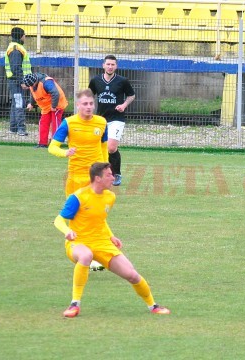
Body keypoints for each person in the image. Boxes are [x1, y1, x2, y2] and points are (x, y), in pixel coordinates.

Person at [54, 162, 171, 318]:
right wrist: (67, 231)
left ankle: (153, 306)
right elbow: (58, 220)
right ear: (97, 178)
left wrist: (111, 236)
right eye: (109, 175)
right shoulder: (78, 197)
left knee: (132, 275)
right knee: (86, 255)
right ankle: (74, 304)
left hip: (102, 243)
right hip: (79, 242)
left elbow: (100, 220)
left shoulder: (110, 197)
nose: (113, 177)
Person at [48, 89, 109, 273]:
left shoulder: (102, 122)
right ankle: (81, 254)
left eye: (91, 104)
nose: (89, 107)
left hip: (97, 179)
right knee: (78, 217)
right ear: (78, 105)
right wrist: (65, 152)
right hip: (76, 178)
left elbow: (104, 147)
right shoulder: (69, 123)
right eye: (85, 104)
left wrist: (107, 172)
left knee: (97, 216)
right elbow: (52, 147)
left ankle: (94, 254)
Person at [88, 55, 135, 186]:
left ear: (116, 66)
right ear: (103, 65)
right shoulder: (95, 80)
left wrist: (124, 105)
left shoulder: (122, 81)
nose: (110, 67)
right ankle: (102, 174)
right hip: (100, 119)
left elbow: (131, 95)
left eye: (112, 65)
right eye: (108, 64)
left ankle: (117, 174)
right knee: (100, 148)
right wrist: (88, 109)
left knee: (111, 147)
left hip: (117, 119)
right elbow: (89, 96)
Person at [21, 72, 68, 148]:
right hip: (46, 106)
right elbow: (34, 94)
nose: (31, 87)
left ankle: (55, 144)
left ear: (35, 82)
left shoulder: (46, 82)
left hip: (57, 103)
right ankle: (42, 143)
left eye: (31, 85)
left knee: (55, 123)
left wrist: (53, 106)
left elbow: (55, 93)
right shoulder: (32, 84)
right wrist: (31, 104)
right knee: (43, 122)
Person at [4, 27, 31, 136]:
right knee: (19, 103)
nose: (25, 37)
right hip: (16, 81)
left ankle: (14, 127)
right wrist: (22, 81)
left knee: (16, 103)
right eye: (24, 35)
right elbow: (16, 68)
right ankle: (21, 128)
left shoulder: (15, 47)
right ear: (21, 36)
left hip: (14, 81)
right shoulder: (16, 49)